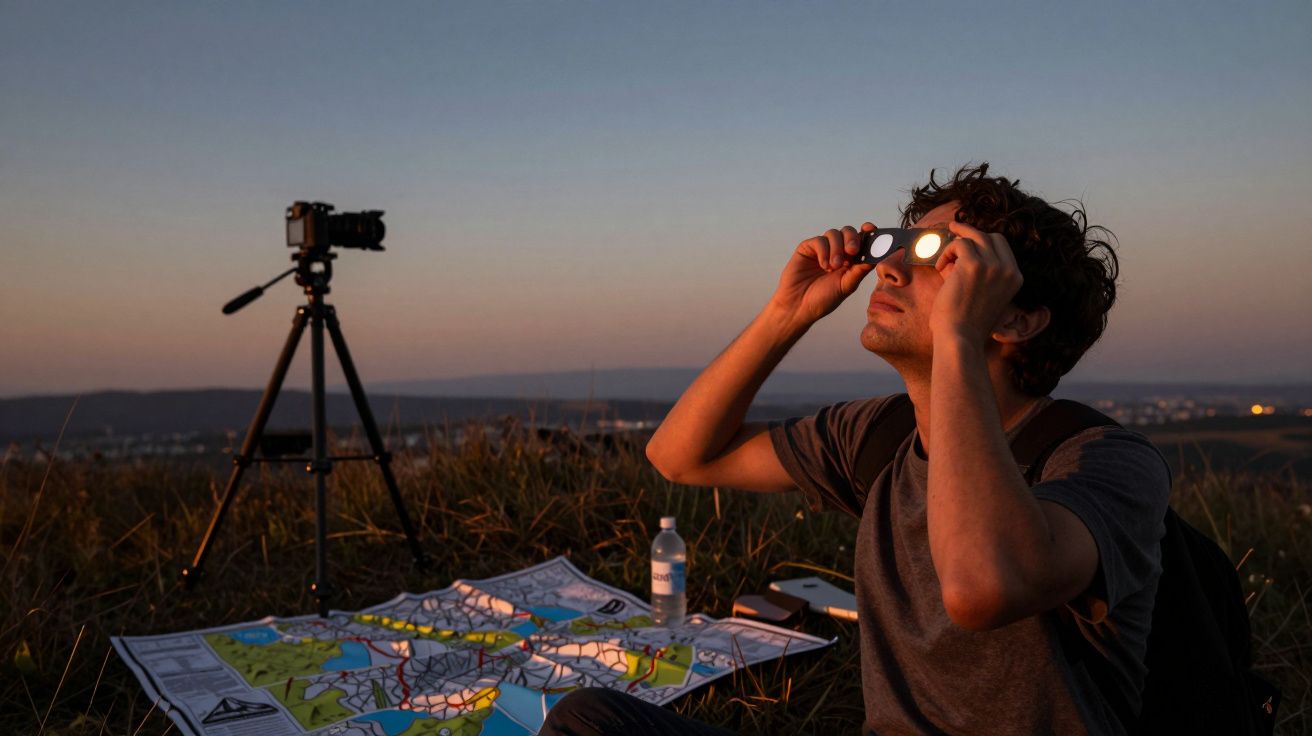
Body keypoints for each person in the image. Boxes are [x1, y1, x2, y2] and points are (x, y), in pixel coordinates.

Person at [541, 163, 1171, 735]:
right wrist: (786, 314)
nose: (890, 269)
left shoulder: (1103, 461)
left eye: (937, 257)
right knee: (588, 721)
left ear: (1016, 318)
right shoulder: (881, 437)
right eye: (897, 245)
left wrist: (957, 333)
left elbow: (981, 587)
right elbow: (682, 456)